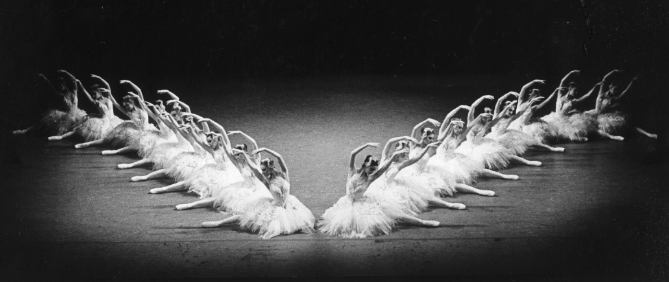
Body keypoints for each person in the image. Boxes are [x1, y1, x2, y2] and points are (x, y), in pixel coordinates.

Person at [318, 143, 440, 238]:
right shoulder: (352, 172)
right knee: (349, 224)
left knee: (395, 214)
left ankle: (422, 222)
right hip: (347, 204)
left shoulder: (371, 178)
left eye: (374, 169)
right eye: (371, 168)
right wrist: (366, 145)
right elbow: (352, 154)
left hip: (364, 203)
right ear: (365, 165)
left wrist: (393, 157)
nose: (372, 171)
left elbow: (384, 168)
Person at [201, 148, 315, 240]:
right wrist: (243, 154)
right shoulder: (267, 181)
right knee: (246, 217)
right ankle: (219, 223)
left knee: (299, 223)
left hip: (290, 204)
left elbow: (279, 158)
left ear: (271, 168)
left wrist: (265, 149)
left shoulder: (284, 174)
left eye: (264, 170)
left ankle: (219, 223)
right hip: (275, 206)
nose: (263, 172)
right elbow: (253, 168)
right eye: (262, 170)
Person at [13, 70, 87, 136]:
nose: (59, 87)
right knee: (42, 124)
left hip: (76, 115)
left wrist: (64, 72)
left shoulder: (73, 92)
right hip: (67, 117)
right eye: (58, 86)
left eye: (61, 85)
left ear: (65, 85)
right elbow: (50, 87)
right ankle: (25, 131)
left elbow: (73, 80)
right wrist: (44, 78)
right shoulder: (60, 95)